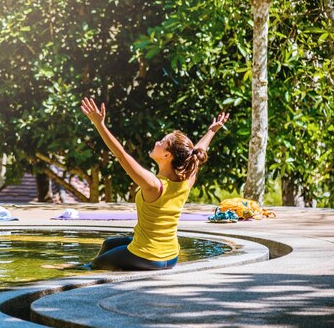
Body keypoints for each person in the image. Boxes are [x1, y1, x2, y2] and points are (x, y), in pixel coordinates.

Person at [53, 97, 229, 271]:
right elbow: (197, 152)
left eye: (162, 142)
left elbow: (121, 156)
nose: (156, 143)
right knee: (109, 244)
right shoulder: (187, 180)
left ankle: (73, 269)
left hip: (147, 256)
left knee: (94, 266)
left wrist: (99, 124)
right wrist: (212, 130)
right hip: (171, 257)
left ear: (167, 156)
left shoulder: (154, 185)